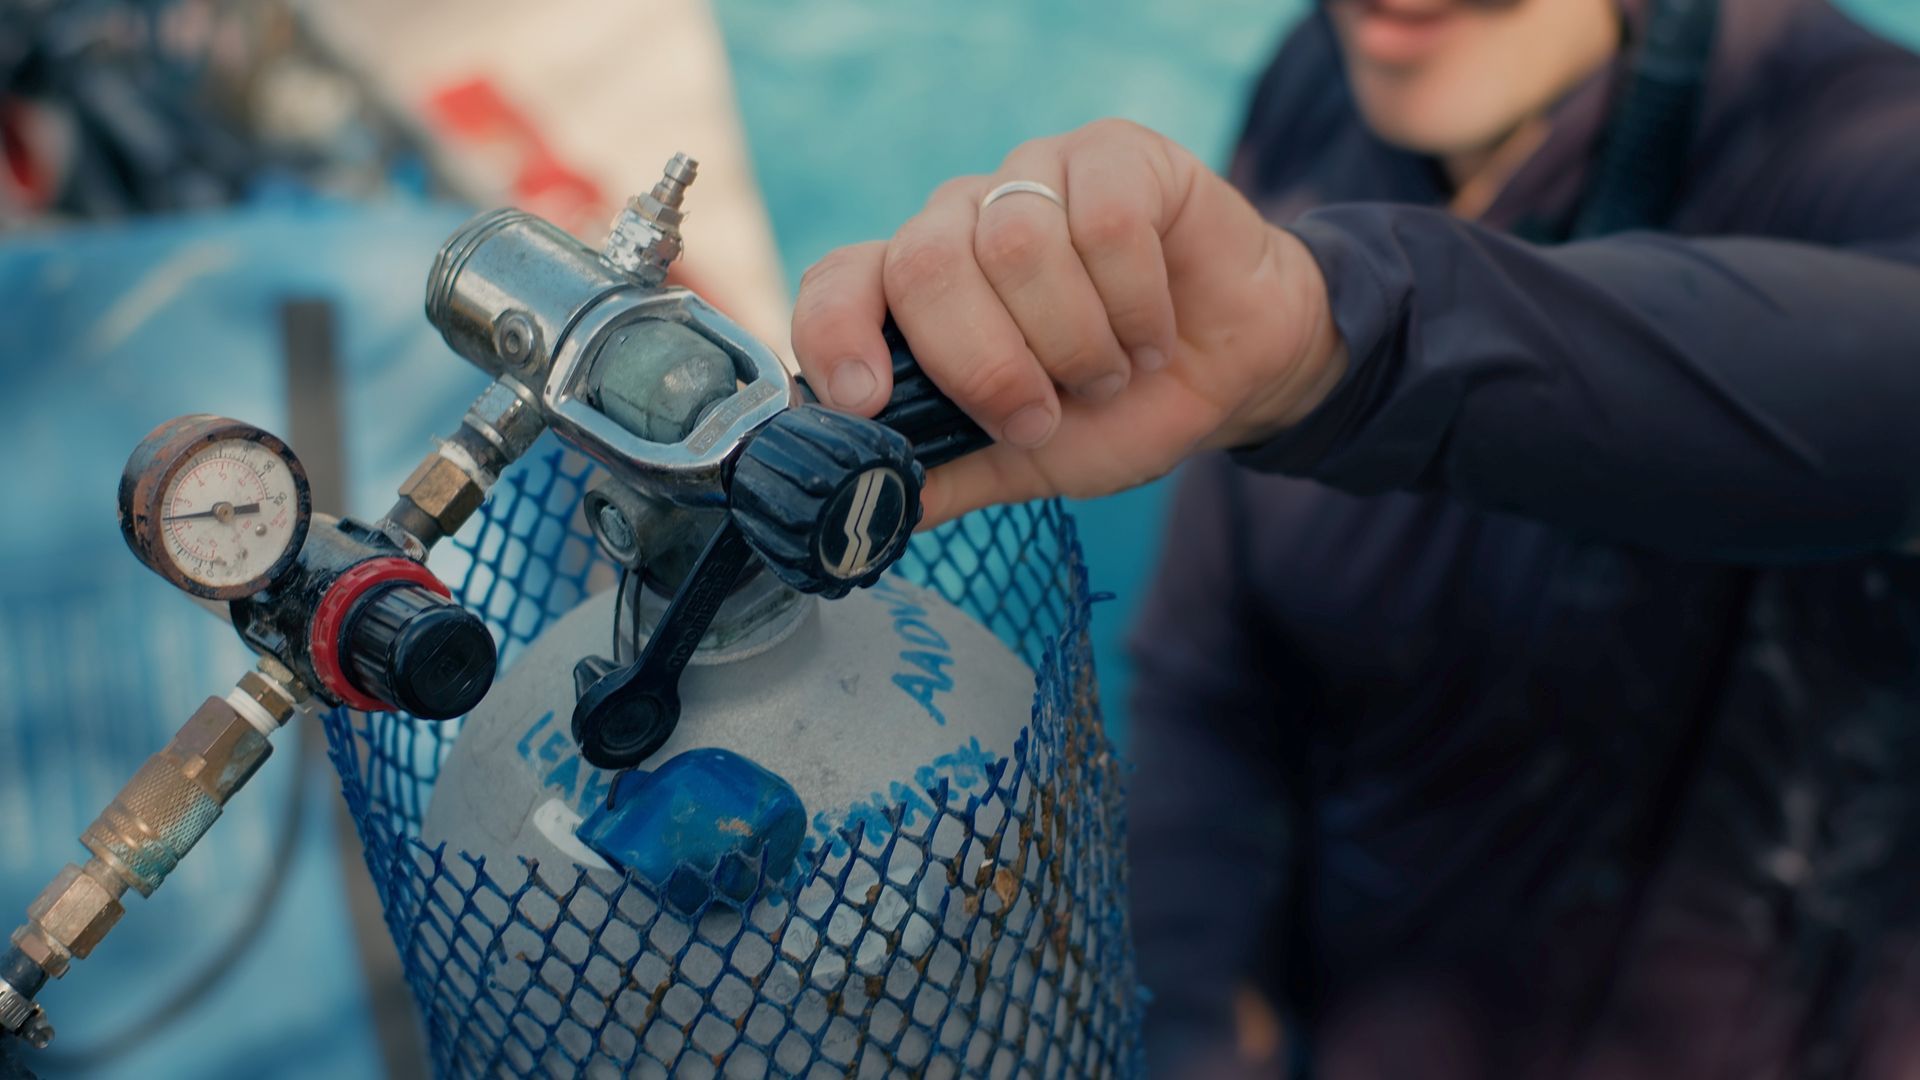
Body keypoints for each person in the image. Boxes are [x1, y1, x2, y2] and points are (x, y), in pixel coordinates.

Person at [790, 0, 1920, 1076]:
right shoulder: (1322, 93)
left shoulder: (1854, 134)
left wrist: (1331, 333)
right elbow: (1213, 680)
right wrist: (1190, 1034)